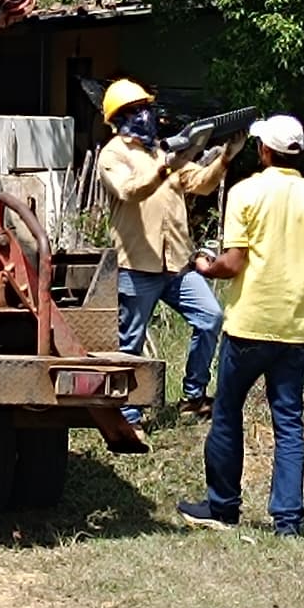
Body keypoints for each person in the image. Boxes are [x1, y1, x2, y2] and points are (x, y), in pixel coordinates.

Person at [180, 114, 304, 537]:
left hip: (248, 325)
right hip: (294, 329)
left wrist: (203, 266)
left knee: (228, 414)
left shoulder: (245, 192)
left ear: (264, 151)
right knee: (288, 422)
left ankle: (223, 508)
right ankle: (287, 520)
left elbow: (232, 263)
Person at [94, 77, 237, 422]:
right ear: (120, 117)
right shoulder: (112, 155)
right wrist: (164, 168)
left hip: (176, 263)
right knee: (130, 343)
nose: (146, 115)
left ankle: (194, 396)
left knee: (210, 318)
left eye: (147, 108)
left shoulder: (161, 150)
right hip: (136, 265)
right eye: (137, 110)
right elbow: (129, 191)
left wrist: (225, 158)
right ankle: (128, 415)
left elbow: (200, 185)